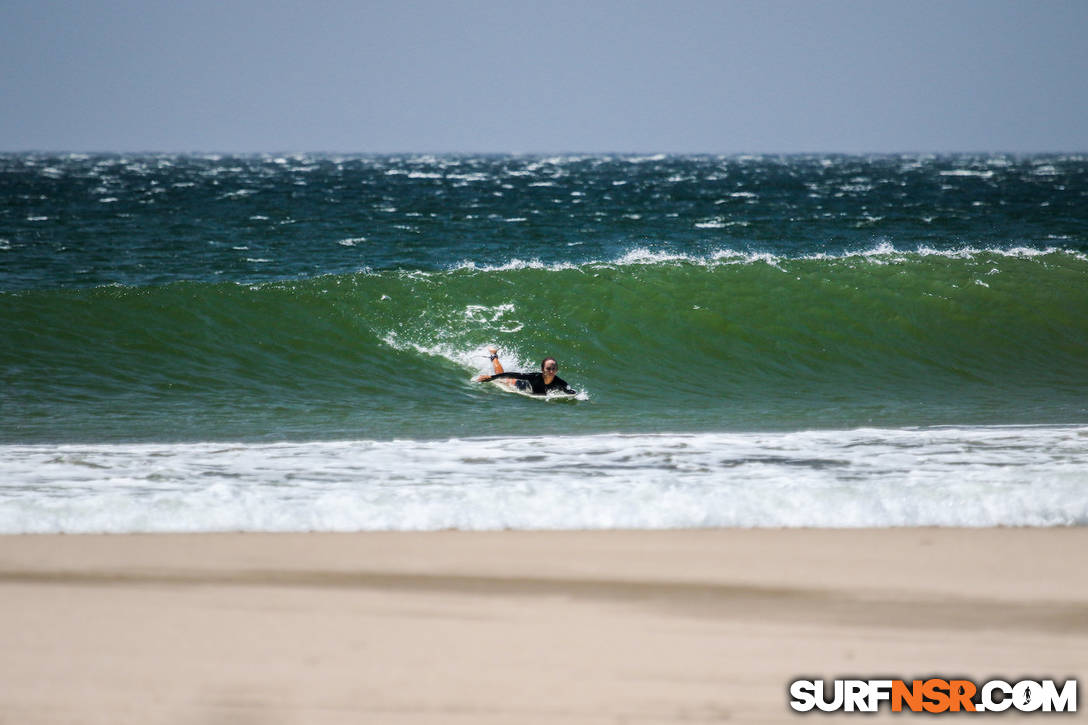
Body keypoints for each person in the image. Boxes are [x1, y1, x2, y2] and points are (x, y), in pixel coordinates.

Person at [473, 347, 577, 396]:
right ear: (542, 369)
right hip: (520, 385)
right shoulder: (535, 377)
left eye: (553, 369)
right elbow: (512, 374)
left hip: (531, 391)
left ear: (557, 370)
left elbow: (570, 391)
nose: (551, 371)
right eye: (548, 369)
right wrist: (492, 378)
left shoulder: (560, 382)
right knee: (502, 379)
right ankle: (494, 355)